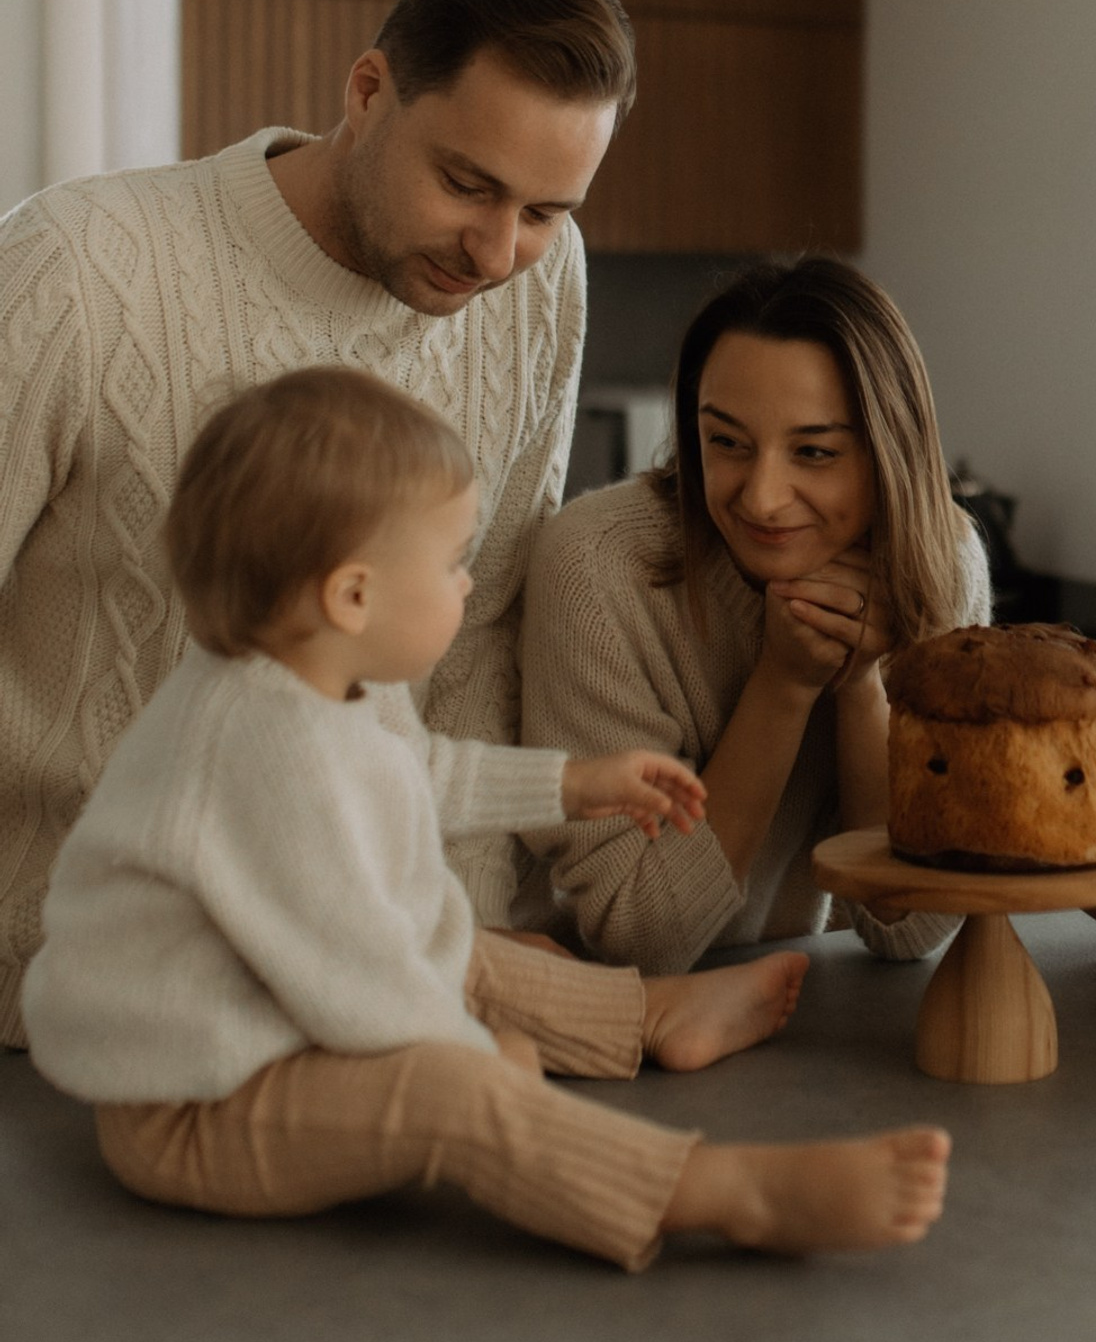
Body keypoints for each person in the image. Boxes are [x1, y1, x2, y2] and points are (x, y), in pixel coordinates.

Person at [22, 370, 950, 1268]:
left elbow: (413, 773)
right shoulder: (262, 751)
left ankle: (645, 1016)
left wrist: (573, 785)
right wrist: (480, 1063)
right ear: (353, 595)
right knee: (450, 1086)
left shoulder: (310, 682)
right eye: (451, 564)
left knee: (462, 947)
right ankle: (726, 1192)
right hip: (198, 1102)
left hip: (257, 1017)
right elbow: (359, 979)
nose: (467, 588)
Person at [0, 0, 628, 1049]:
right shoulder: (75, 272)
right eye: (467, 183)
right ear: (368, 92)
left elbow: (478, 636)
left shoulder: (540, 286)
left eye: (545, 211)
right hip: (70, 992)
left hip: (346, 985)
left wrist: (460, 937)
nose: (494, 253)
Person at [519, 259, 991, 973]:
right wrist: (784, 683)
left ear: (888, 453)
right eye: (727, 443)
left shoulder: (939, 561)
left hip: (795, 1008)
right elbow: (639, 936)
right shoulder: (597, 568)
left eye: (814, 452)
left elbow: (912, 927)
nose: (763, 498)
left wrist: (860, 682)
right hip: (594, 1022)